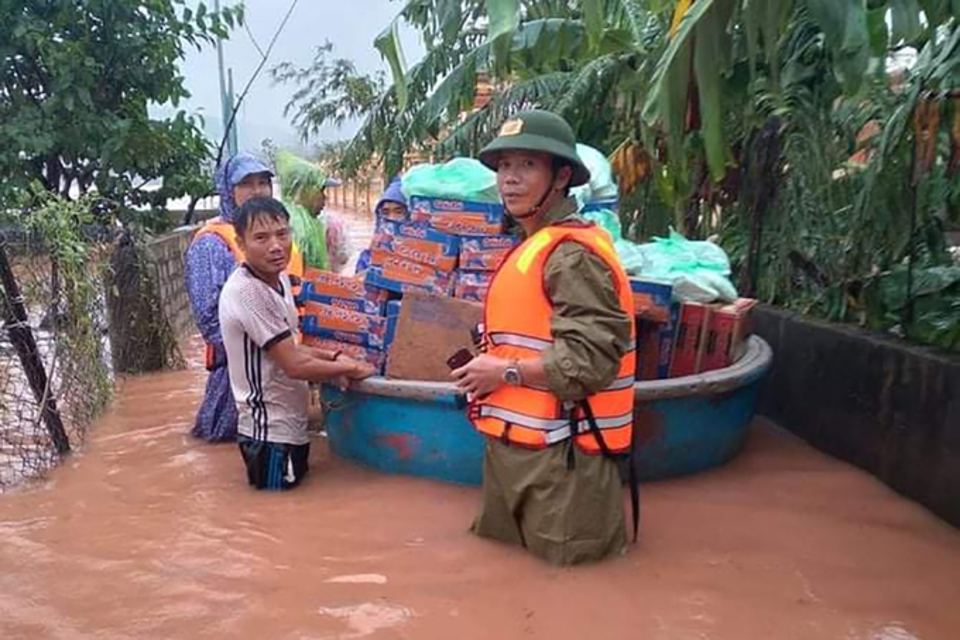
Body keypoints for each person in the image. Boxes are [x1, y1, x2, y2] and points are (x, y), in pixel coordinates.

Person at [451, 110, 638, 566]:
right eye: (504, 166)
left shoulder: (570, 254)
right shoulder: (535, 243)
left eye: (527, 166)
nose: (510, 180)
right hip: (516, 452)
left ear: (562, 177)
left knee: (570, 596)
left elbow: (589, 363)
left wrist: (505, 370)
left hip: (564, 461)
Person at [218, 196, 376, 490]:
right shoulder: (248, 292)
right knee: (275, 520)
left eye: (282, 234)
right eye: (261, 238)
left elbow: (290, 346)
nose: (276, 246)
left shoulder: (277, 281)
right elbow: (293, 364)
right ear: (241, 244)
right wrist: (350, 367)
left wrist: (334, 358)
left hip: (290, 427)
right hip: (268, 433)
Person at [184, 153, 275, 442]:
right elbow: (209, 319)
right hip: (237, 371)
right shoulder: (211, 244)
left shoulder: (273, 238)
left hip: (276, 366)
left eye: (264, 182)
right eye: (246, 184)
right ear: (228, 191)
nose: (257, 191)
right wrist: (267, 348)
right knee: (230, 440)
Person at [355, 176, 407, 274]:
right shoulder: (371, 252)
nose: (391, 217)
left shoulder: (425, 253)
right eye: (386, 212)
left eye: (399, 212)